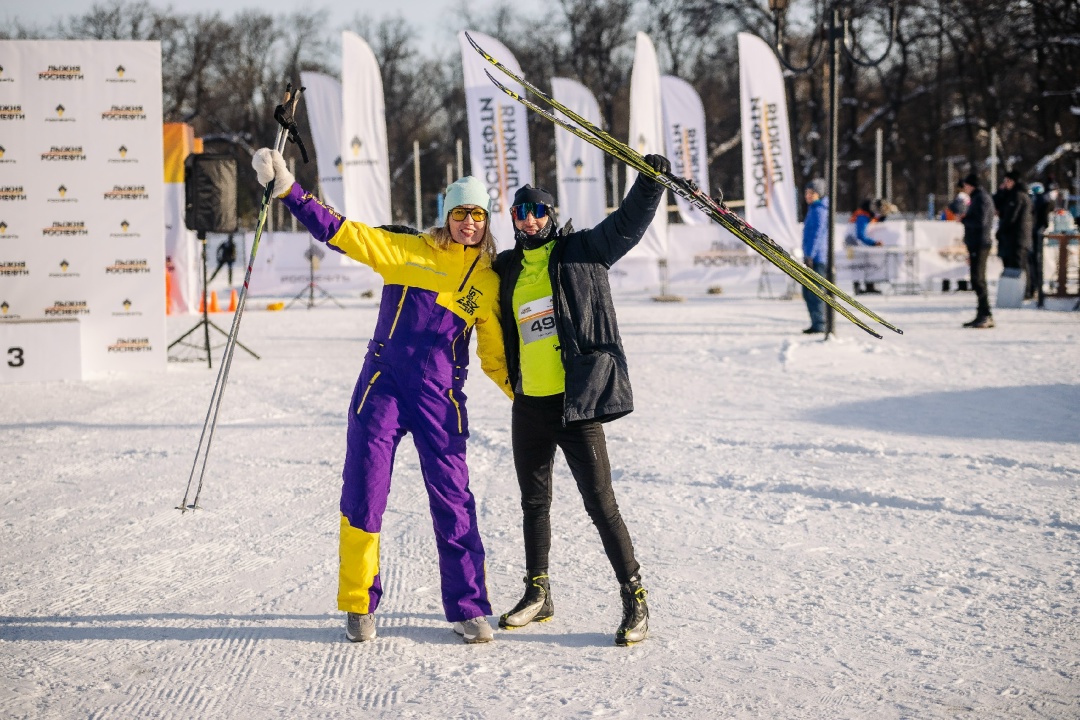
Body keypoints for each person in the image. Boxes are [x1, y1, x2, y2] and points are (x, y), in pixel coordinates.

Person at [252, 148, 513, 645]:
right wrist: (290, 190)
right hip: (384, 389)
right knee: (364, 492)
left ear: (486, 221)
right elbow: (342, 232)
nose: (469, 223)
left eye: (477, 215)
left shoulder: (487, 279)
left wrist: (525, 397)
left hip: (441, 398)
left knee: (453, 499)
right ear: (447, 216)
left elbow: (494, 354)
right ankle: (358, 602)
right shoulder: (407, 250)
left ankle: (469, 607)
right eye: (460, 213)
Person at [493, 153, 670, 646]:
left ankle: (634, 597)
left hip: (577, 405)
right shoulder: (506, 267)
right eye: (520, 210)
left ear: (552, 215)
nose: (529, 218)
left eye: (538, 210)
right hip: (529, 404)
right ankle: (538, 592)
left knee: (601, 504)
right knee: (534, 502)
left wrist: (650, 183)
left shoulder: (580, 251)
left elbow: (627, 226)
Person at [959, 173, 996, 328]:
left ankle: (985, 314)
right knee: (977, 279)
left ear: (970, 185)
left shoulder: (980, 198)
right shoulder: (979, 197)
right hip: (977, 243)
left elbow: (981, 221)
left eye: (965, 185)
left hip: (979, 244)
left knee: (978, 279)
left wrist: (964, 219)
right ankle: (982, 313)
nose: (964, 188)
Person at [802, 178, 829, 334]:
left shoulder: (820, 210)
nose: (808, 196)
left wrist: (810, 255)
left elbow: (817, 235)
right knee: (807, 291)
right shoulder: (813, 209)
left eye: (812, 193)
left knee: (815, 291)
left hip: (817, 258)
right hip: (811, 256)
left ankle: (820, 323)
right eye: (806, 193)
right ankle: (816, 322)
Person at [994, 170, 1034, 278]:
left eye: (1008, 181)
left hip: (1017, 238)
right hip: (1015, 238)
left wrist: (1000, 231)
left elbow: (1011, 217)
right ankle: (1023, 290)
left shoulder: (1017, 196)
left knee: (1017, 267)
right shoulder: (1012, 195)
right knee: (1016, 267)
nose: (1005, 184)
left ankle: (1023, 291)